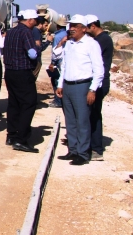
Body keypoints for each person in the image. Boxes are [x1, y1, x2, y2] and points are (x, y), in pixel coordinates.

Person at [55, 15, 104, 165]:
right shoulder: (69, 44)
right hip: (68, 85)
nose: (72, 29)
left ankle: (83, 153)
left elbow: (99, 69)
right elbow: (64, 65)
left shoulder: (91, 44)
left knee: (82, 120)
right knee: (70, 120)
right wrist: (60, 84)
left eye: (76, 26)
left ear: (84, 28)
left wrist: (92, 89)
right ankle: (73, 150)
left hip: (82, 86)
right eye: (71, 26)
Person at [2, 9, 40, 153]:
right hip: (22, 72)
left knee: (14, 104)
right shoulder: (26, 32)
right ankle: (21, 139)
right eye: (35, 20)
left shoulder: (11, 32)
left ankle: (11, 135)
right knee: (28, 104)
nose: (36, 23)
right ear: (30, 20)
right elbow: (31, 53)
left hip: (10, 71)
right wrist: (38, 47)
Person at [85, 15, 113, 161]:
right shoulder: (101, 39)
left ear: (93, 26)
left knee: (94, 115)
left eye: (86, 27)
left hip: (100, 82)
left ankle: (96, 149)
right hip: (97, 81)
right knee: (90, 114)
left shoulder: (102, 40)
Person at [46, 15, 68, 108]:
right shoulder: (67, 35)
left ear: (57, 26)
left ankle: (58, 101)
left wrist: (52, 63)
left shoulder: (58, 36)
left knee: (56, 81)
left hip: (58, 62)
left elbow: (56, 52)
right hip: (64, 61)